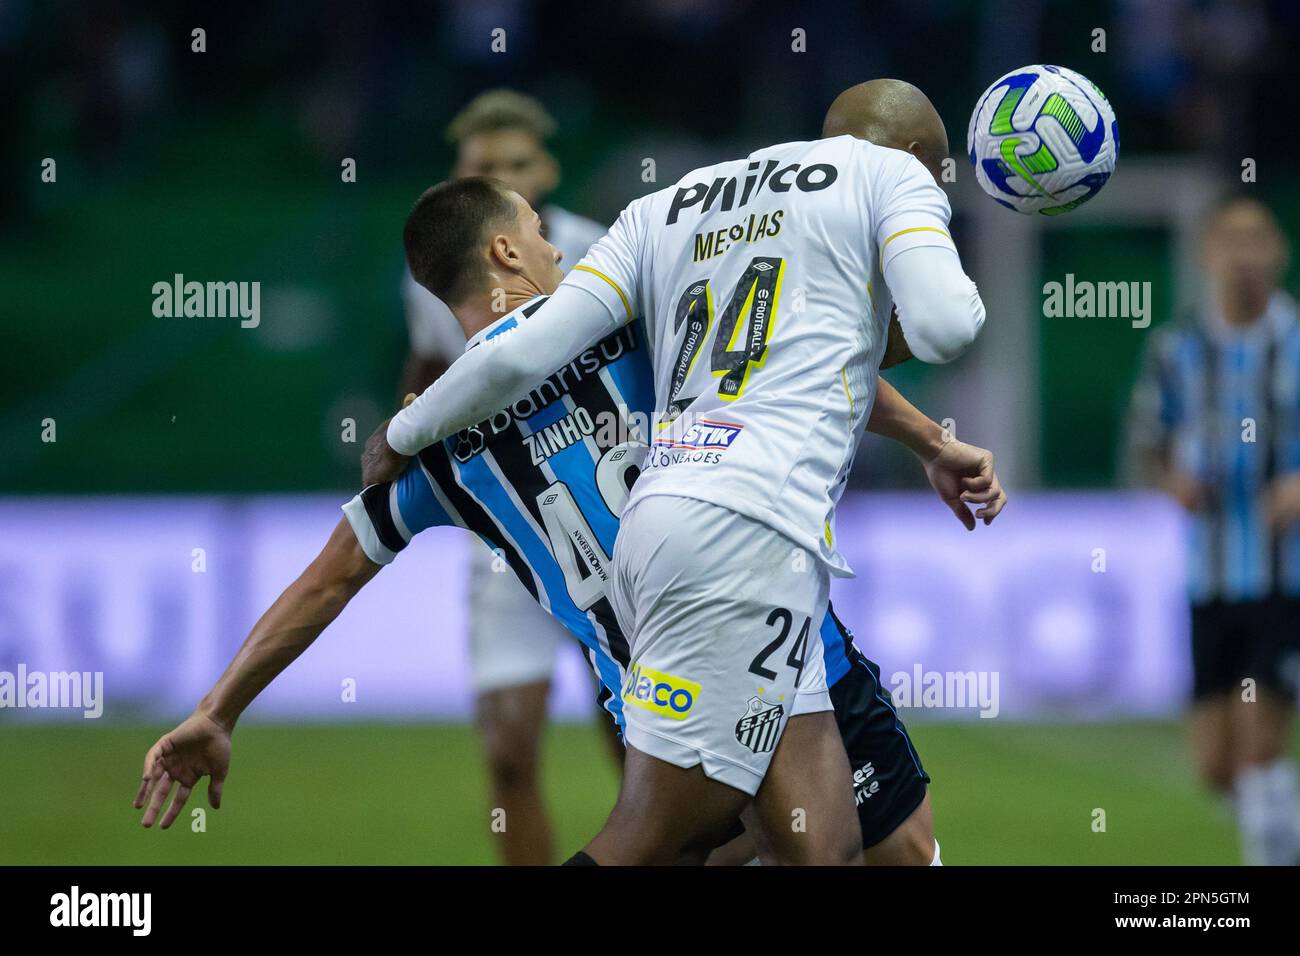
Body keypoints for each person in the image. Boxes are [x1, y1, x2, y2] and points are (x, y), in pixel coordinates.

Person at [134, 177, 1005, 867]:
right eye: (542, 236)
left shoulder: (432, 445)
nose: (558, 250)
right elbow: (782, 362)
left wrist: (219, 710)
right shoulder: (626, 322)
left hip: (651, 690)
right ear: (507, 249)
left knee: (886, 848)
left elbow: (328, 579)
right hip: (758, 613)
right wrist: (931, 438)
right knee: (826, 850)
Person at [377, 79, 987, 864]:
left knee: (786, 838)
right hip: (758, 528)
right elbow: (943, 328)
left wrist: (403, 429)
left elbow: (525, 345)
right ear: (910, 160)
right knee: (672, 837)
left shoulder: (668, 206)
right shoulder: (888, 175)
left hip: (656, 521)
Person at [400, 89, 606, 865]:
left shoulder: (593, 253)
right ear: (461, 172)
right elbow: (426, 373)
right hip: (508, 540)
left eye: (516, 163)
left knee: (639, 745)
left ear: (545, 169)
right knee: (510, 748)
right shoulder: (436, 274)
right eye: (485, 165)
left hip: (604, 524)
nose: (504, 176)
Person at [1127, 196, 1300, 866]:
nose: (1245, 256)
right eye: (1231, 241)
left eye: (1258, 240)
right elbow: (1149, 441)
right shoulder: (1177, 350)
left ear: (1279, 253)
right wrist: (1172, 480)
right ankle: (1283, 836)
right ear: (1206, 254)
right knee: (1215, 765)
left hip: (1285, 579)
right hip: (1209, 576)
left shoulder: (1294, 341)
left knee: (1261, 745)